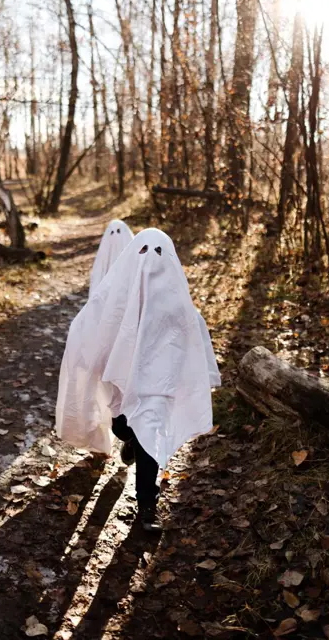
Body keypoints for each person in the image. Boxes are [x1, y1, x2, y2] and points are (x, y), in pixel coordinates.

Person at [56, 228, 221, 532]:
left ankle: (147, 506)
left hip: (158, 389)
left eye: (158, 253)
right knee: (123, 426)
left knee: (149, 439)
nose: (151, 261)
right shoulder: (117, 296)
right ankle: (128, 438)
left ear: (170, 257)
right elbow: (93, 323)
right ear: (133, 255)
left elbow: (193, 336)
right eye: (144, 252)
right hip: (122, 383)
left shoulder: (179, 303)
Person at [89, 219, 133, 296]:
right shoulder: (104, 254)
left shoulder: (133, 252)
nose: (115, 235)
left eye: (119, 232)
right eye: (112, 232)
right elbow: (97, 275)